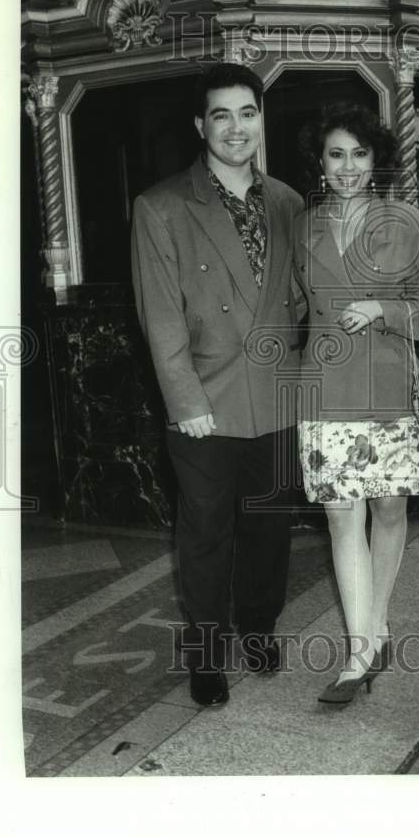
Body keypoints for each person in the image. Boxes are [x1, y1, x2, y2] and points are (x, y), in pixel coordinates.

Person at [131, 63, 304, 707]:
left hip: (277, 397)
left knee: (269, 529)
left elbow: (298, 300)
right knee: (206, 535)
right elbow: (160, 315)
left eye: (248, 113)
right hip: (205, 402)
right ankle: (207, 653)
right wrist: (185, 403)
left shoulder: (288, 201)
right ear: (200, 125)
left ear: (262, 119)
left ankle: (258, 629)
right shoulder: (163, 206)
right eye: (221, 115)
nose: (236, 128)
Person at [294, 101, 419, 705]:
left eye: (359, 153)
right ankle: (359, 652)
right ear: (320, 161)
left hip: (386, 382)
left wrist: (384, 308)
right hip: (324, 384)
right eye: (336, 154)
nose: (348, 166)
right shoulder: (302, 226)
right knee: (340, 515)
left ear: (376, 158)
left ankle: (376, 621)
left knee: (387, 512)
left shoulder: (408, 222)